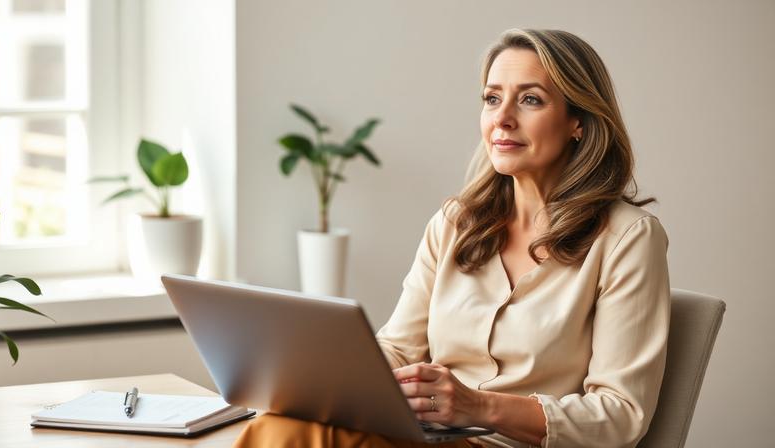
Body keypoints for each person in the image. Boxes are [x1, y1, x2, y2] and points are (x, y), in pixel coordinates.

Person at [234, 28, 670, 448]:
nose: (502, 118)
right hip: (424, 436)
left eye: (531, 100)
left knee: (291, 436)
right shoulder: (456, 222)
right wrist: (335, 382)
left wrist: (478, 406)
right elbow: (399, 348)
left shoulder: (627, 238)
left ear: (579, 121)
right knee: (284, 424)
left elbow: (620, 416)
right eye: (492, 99)